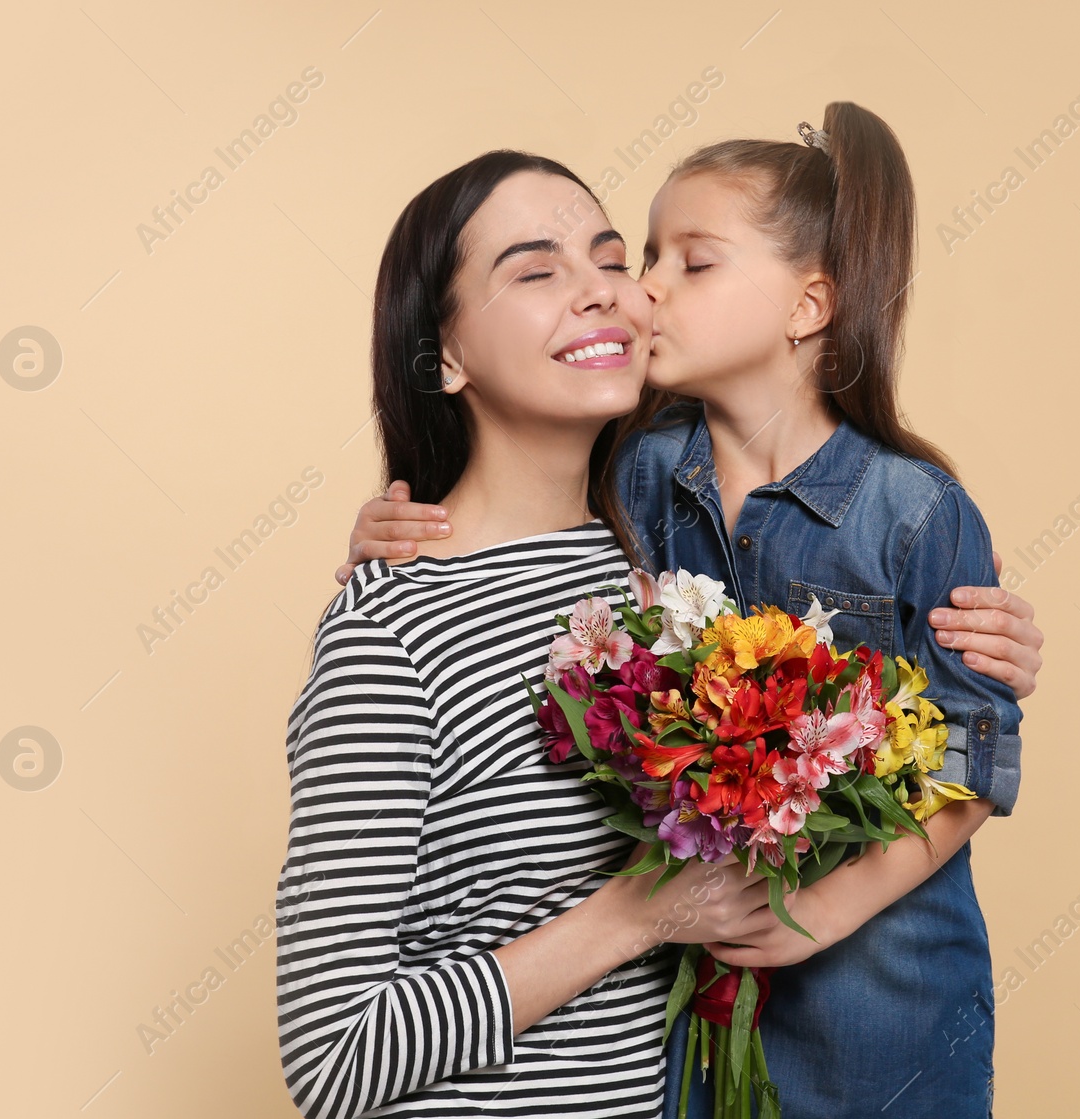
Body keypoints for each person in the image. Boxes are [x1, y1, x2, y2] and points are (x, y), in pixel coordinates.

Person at [336, 103, 1047, 1118]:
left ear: (809, 306)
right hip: (686, 1032)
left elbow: (973, 756)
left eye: (689, 263)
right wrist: (387, 529)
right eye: (648, 256)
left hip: (878, 1017)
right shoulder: (633, 479)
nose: (641, 291)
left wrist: (816, 906)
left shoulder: (913, 509)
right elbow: (506, 507)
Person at [276, 150, 783, 1119]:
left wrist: (967, 641)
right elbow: (332, 1060)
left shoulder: (674, 587)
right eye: (536, 271)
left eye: (608, 260)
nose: (599, 295)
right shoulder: (390, 632)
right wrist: (636, 915)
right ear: (448, 356)